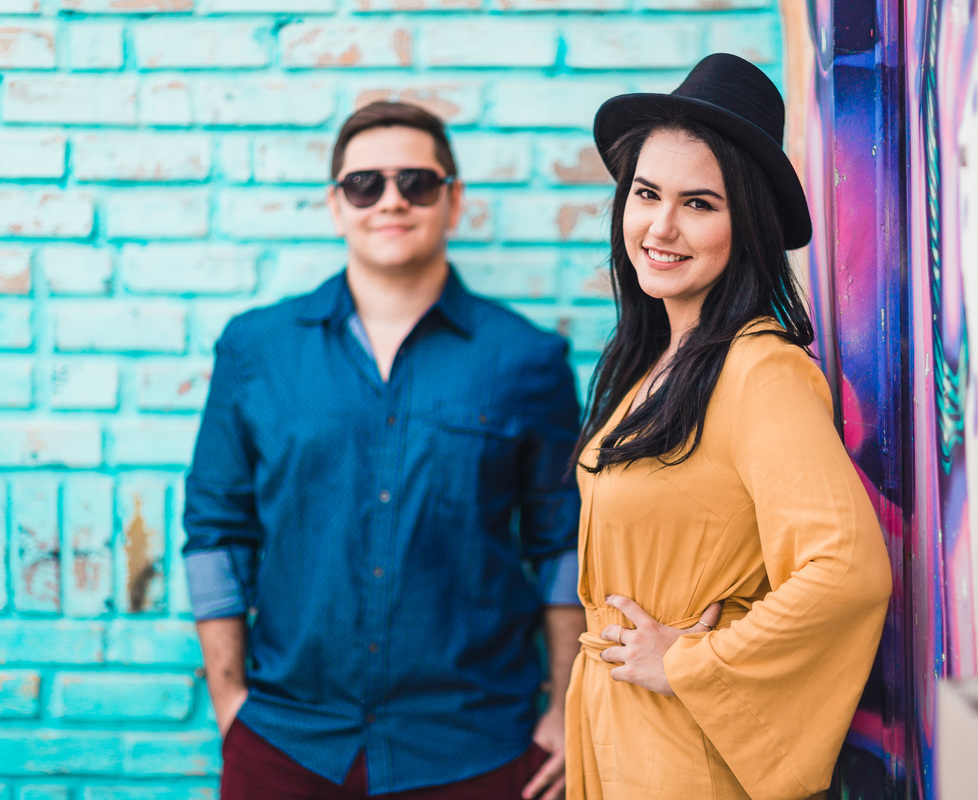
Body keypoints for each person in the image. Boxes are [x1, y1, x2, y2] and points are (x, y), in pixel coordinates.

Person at [183, 101, 586, 800]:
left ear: (453, 201)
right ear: (337, 206)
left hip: (477, 748)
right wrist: (230, 706)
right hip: (286, 743)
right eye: (365, 184)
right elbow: (215, 533)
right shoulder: (255, 349)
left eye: (417, 183)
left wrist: (565, 709)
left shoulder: (528, 358)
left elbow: (564, 547)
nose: (391, 201)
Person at [563, 54, 893, 800]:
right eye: (646, 194)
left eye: (700, 204)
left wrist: (687, 662)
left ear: (747, 224)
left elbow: (847, 570)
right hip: (616, 734)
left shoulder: (759, 374)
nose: (661, 226)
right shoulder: (655, 364)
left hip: (682, 755)